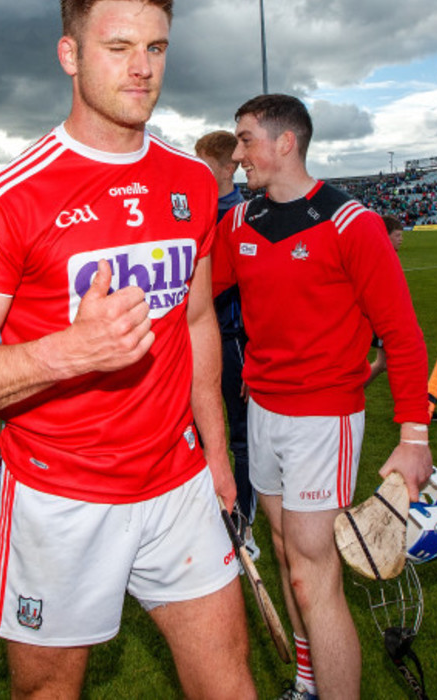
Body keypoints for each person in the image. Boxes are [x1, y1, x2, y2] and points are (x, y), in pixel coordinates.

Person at [0, 0, 255, 699]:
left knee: (229, 681)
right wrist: (71, 351)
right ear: (69, 55)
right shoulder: (7, 200)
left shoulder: (192, 183)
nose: (142, 69)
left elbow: (197, 321)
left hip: (178, 484)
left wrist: (218, 456)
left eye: (157, 48)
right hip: (61, 498)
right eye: (120, 47)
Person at [211, 94, 433, 700]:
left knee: (315, 577)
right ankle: (308, 684)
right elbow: (195, 292)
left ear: (286, 143)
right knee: (286, 557)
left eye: (246, 139)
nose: (238, 153)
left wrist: (414, 436)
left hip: (323, 417)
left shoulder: (350, 223)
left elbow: (403, 335)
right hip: (262, 411)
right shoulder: (239, 222)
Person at [195, 130, 258, 560]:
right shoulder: (195, 208)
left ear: (227, 165)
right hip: (197, 337)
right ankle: (203, 511)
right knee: (197, 431)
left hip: (232, 337)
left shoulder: (242, 213)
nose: (196, 169)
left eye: (204, 162)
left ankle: (245, 522)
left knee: (240, 436)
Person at [365, 215, 437, 422]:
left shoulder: (383, 255)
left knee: (384, 363)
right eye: (397, 235)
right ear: (386, 237)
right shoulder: (380, 257)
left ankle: (347, 394)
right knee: (407, 360)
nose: (401, 239)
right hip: (385, 321)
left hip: (384, 319)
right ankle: (420, 409)